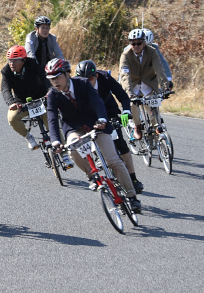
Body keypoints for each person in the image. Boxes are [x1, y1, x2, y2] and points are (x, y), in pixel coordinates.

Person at [45, 58, 141, 213]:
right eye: (51, 79)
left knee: (113, 160)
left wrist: (102, 119)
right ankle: (92, 175)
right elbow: (52, 118)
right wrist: (55, 141)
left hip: (96, 124)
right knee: (73, 149)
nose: (55, 81)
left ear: (67, 74)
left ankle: (131, 197)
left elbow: (97, 102)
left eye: (57, 77)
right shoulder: (52, 95)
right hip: (74, 128)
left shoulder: (82, 83)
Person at [75, 60, 144, 194]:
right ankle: (96, 173)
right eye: (83, 79)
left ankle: (133, 178)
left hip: (109, 111)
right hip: (91, 116)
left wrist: (126, 111)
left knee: (120, 144)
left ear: (96, 76)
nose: (87, 82)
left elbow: (123, 96)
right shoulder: (76, 85)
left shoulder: (105, 77)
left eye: (90, 78)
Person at [119, 28, 169, 140]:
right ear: (130, 44)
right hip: (133, 84)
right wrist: (130, 94)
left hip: (148, 84)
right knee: (132, 104)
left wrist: (165, 86)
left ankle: (156, 131)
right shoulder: (125, 55)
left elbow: (159, 69)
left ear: (144, 43)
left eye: (139, 43)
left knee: (153, 110)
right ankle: (137, 125)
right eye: (133, 43)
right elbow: (125, 76)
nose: (136, 46)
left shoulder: (152, 52)